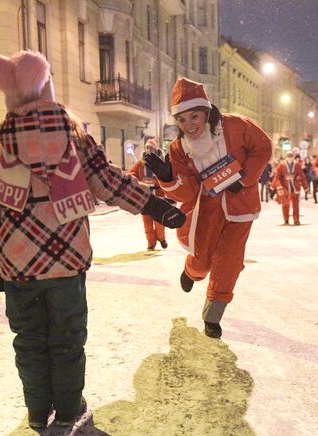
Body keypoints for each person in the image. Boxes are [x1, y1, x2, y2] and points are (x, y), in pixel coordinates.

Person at [0, 51, 186, 430]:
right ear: (48, 92)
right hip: (68, 263)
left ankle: (38, 410)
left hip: (17, 268)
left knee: (30, 341)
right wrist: (154, 204)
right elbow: (111, 183)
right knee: (68, 341)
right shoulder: (76, 144)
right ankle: (69, 408)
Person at [145, 77, 271, 339]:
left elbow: (262, 148)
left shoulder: (235, 125)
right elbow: (187, 191)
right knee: (202, 260)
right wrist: (168, 177)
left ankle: (214, 313)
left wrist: (244, 177)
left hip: (241, 207)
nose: (189, 125)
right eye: (182, 120)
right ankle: (192, 271)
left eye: (194, 117)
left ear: (205, 112)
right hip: (207, 209)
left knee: (229, 261)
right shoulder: (179, 148)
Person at [129, 138, 169, 250]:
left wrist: (156, 181)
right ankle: (151, 243)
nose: (148, 150)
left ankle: (161, 238)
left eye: (151, 148)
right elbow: (132, 173)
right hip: (145, 196)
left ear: (155, 150)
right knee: (147, 222)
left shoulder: (162, 162)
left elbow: (168, 176)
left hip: (158, 195)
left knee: (159, 220)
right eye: (147, 148)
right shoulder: (141, 162)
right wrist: (137, 182)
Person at [272, 150, 308, 225]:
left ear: (293, 156)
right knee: (285, 204)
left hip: (295, 187)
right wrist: (274, 186)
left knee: (296, 205)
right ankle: (286, 219)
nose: (290, 157)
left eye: (291, 156)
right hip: (285, 187)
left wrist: (305, 187)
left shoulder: (297, 164)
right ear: (286, 156)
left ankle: (296, 220)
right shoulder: (281, 165)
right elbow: (277, 176)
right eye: (288, 155)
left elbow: (302, 176)